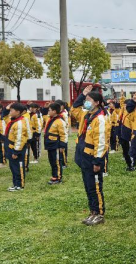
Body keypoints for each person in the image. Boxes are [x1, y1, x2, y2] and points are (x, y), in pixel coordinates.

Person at [72, 85, 108, 226]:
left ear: (97, 102)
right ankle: (92, 212)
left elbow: (101, 143)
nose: (86, 102)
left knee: (95, 187)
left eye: (89, 99)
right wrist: (82, 95)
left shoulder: (100, 119)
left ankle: (99, 213)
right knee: (88, 186)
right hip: (84, 157)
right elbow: (74, 109)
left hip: (93, 158)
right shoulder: (86, 115)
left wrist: (97, 162)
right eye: (86, 99)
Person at [4, 103, 29, 192]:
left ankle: (20, 185)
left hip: (17, 149)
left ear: (18, 112)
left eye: (11, 110)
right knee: (13, 167)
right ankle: (15, 184)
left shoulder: (19, 123)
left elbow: (19, 139)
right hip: (11, 147)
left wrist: (16, 152)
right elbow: (3, 116)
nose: (9, 112)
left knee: (19, 167)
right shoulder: (13, 121)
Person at [43, 102, 68, 185]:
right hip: (50, 144)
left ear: (54, 111)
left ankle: (58, 177)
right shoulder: (49, 118)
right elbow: (44, 115)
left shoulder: (60, 121)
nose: (48, 111)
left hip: (56, 145)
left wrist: (62, 146)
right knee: (52, 161)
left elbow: (63, 134)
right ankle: (54, 176)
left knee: (57, 162)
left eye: (49, 110)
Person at [119, 91, 136, 171]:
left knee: (130, 150)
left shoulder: (133, 113)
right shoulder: (125, 111)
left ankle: (132, 165)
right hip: (123, 134)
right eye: (125, 105)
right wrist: (122, 95)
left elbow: (134, 125)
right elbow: (122, 103)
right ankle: (128, 164)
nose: (125, 107)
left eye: (127, 105)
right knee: (125, 150)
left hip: (129, 134)